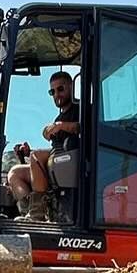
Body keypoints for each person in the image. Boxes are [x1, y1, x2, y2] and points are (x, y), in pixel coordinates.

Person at [29, 71, 80, 207]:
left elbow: (84, 128)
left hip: (68, 161)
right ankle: (26, 209)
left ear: (71, 86)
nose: (56, 94)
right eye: (52, 92)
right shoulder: (58, 118)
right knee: (15, 174)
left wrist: (60, 126)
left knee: (36, 156)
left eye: (60, 89)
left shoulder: (81, 109)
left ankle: (39, 211)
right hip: (55, 161)